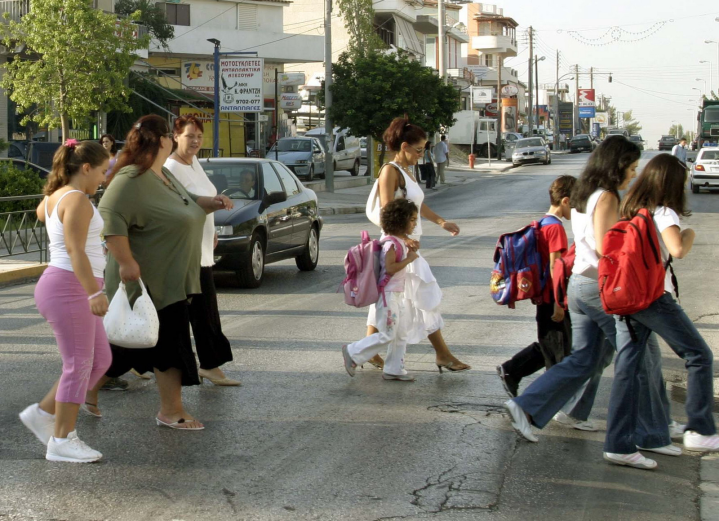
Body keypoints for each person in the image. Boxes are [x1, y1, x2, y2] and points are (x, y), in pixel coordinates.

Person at [86, 115, 233, 430]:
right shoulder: (131, 178)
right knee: (171, 345)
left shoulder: (162, 175)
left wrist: (213, 203)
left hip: (172, 277)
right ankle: (171, 410)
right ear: (162, 140)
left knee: (127, 350)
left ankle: (85, 390)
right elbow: (110, 218)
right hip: (147, 281)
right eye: (169, 135)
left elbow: (188, 202)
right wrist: (126, 261)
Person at [504, 136, 641, 443]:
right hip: (600, 287)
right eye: (632, 167)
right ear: (617, 165)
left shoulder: (583, 194)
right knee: (639, 355)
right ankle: (649, 430)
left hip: (580, 284)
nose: (634, 174)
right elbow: (607, 248)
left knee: (585, 358)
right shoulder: (606, 197)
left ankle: (530, 406)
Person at [604, 154, 719, 470]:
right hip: (654, 297)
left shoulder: (631, 208)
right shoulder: (665, 212)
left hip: (626, 295)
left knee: (627, 371)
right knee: (699, 355)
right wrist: (689, 233)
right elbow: (677, 249)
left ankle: (620, 444)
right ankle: (700, 430)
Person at [19, 140, 111, 463]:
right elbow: (74, 250)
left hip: (65, 285)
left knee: (99, 361)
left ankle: (43, 413)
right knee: (79, 364)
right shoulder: (77, 200)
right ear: (85, 168)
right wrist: (94, 293)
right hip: (70, 287)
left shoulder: (56, 196)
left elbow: (41, 214)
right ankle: (61, 440)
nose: (104, 177)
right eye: (102, 171)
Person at [365, 117, 470, 373]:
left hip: (408, 244)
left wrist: (441, 221)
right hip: (399, 246)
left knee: (389, 298)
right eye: (419, 150)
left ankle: (369, 348)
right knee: (424, 296)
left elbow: (417, 206)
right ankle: (442, 354)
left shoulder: (407, 172)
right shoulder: (390, 171)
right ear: (404, 146)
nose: (421, 155)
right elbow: (388, 211)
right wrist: (404, 239)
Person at [164, 115, 239, 386]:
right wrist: (213, 205)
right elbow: (181, 206)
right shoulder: (170, 168)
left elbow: (202, 202)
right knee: (197, 312)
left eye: (199, 136)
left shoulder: (193, 162)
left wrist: (212, 229)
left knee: (204, 310)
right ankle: (208, 365)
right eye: (189, 136)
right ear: (175, 137)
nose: (195, 141)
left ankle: (209, 364)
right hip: (186, 252)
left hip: (203, 247)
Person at [496, 175, 576, 397]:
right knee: (559, 353)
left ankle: (512, 371)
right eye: (575, 203)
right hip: (552, 297)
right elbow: (555, 268)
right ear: (566, 201)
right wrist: (560, 302)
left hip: (544, 296)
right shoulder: (556, 228)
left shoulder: (543, 223)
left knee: (553, 345)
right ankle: (541, 400)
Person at [342, 199, 420, 381]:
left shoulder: (398, 241)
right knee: (387, 334)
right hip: (388, 296)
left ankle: (395, 369)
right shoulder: (391, 243)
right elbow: (391, 268)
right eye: (412, 220)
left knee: (400, 334)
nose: (415, 224)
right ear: (400, 221)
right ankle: (352, 351)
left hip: (396, 294)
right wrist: (409, 259)